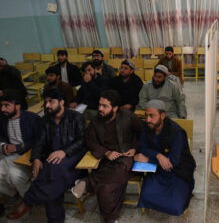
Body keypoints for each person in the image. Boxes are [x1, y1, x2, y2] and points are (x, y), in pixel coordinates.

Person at [6, 88, 86, 222]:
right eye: (46, 102)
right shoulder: (45, 119)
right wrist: (36, 158)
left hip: (73, 157)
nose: (47, 105)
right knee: (53, 178)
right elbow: (39, 142)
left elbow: (83, 140)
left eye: (51, 102)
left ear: (61, 102)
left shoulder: (75, 117)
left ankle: (28, 201)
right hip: (53, 162)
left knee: (51, 170)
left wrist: (64, 151)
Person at [72, 90, 141, 223]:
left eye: (104, 106)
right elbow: (90, 140)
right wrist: (105, 152)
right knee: (106, 188)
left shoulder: (128, 116)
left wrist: (135, 148)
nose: (100, 109)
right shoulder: (96, 120)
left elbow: (143, 134)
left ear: (115, 108)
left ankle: (88, 182)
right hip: (106, 159)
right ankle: (110, 219)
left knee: (117, 172)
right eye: (99, 105)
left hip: (125, 157)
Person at [134, 100, 196, 216]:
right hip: (158, 169)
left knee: (175, 206)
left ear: (162, 116)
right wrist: (157, 155)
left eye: (152, 116)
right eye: (146, 116)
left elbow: (173, 161)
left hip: (178, 171)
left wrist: (148, 159)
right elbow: (142, 146)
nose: (148, 120)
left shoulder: (177, 132)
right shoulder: (147, 127)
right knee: (146, 196)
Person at [0, 90, 43, 217]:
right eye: (1, 105)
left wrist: (17, 147)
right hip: (9, 155)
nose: (3, 108)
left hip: (28, 155)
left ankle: (29, 200)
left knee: (15, 175)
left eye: (7, 105)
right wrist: (4, 146)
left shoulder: (32, 119)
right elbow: (1, 137)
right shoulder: (2, 119)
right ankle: (14, 193)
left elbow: (40, 140)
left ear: (17, 106)